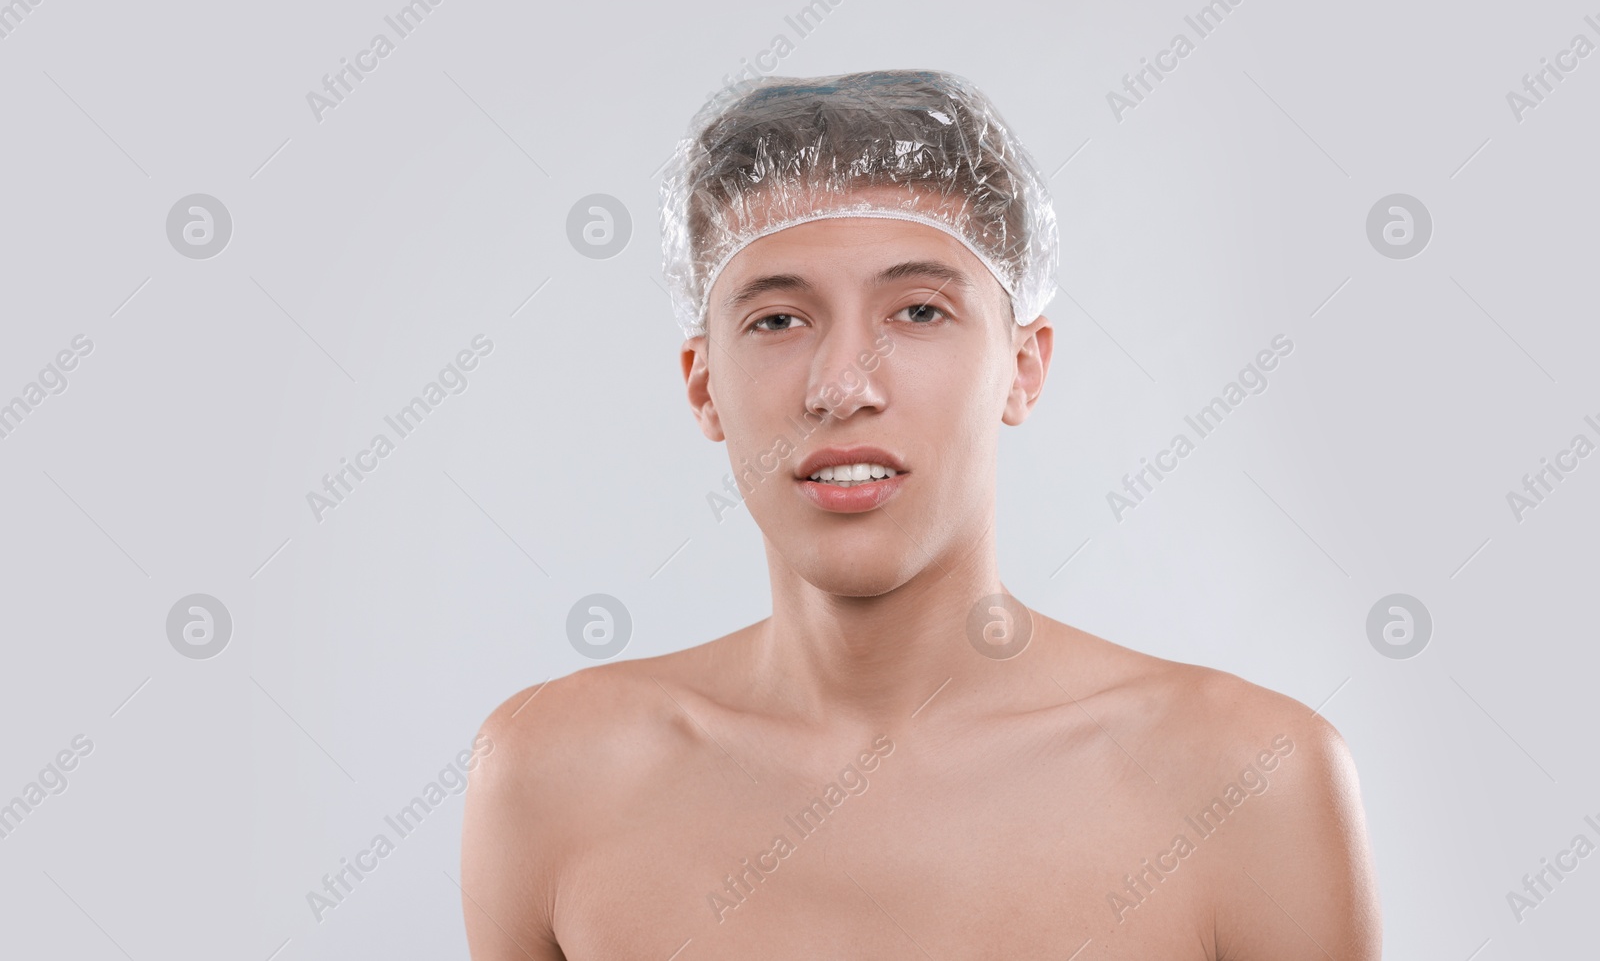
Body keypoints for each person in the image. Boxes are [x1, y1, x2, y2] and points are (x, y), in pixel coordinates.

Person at [460, 69, 1382, 959]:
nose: (842, 384)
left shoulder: (1246, 783)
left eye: (918, 311)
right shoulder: (553, 778)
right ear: (704, 386)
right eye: (779, 320)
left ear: (1023, 366)